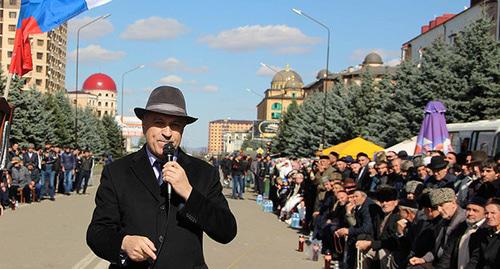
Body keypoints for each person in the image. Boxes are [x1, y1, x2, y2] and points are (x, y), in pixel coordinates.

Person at [87, 86, 237, 269]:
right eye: (159, 122)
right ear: (144, 125)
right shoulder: (117, 171)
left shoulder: (204, 173)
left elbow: (226, 231)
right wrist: (124, 243)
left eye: (175, 125)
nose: (167, 132)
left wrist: (189, 193)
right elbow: (97, 232)